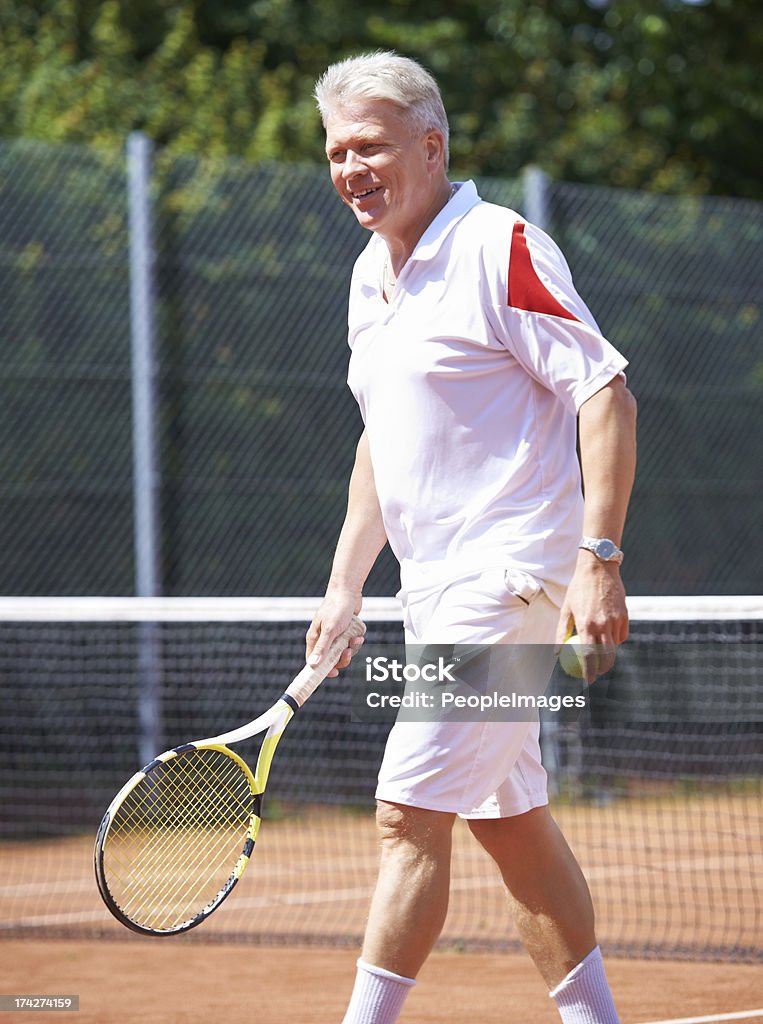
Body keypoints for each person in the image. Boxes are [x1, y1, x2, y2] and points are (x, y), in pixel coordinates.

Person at [306, 51, 637, 1024]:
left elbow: (603, 388)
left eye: (369, 145)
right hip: (435, 595)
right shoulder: (369, 279)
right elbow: (383, 442)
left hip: (513, 584)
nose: (350, 168)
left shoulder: (499, 245)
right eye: (336, 152)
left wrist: (598, 559)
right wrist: (343, 586)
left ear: (431, 144)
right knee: (512, 825)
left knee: (407, 813)